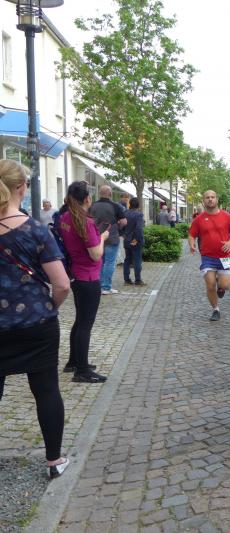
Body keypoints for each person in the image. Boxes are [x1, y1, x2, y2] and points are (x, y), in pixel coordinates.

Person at [0, 160, 71, 478]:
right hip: (36, 324)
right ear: (21, 188)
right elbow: (62, 284)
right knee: (46, 390)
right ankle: (54, 462)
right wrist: (49, 307)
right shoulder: (36, 230)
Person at [60, 181, 110, 383]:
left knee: (80, 320)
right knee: (85, 325)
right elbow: (95, 254)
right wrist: (103, 237)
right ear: (88, 199)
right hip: (88, 277)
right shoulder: (86, 222)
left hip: (76, 274)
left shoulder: (66, 217)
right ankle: (82, 370)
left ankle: (74, 361)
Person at [188, 190, 230, 321]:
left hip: (225, 257)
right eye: (207, 197)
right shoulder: (199, 219)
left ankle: (220, 286)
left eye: (212, 197)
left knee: (225, 285)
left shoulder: (226, 216)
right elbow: (192, 234)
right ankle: (216, 309)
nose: (210, 199)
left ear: (217, 199)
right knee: (210, 285)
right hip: (208, 257)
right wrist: (191, 244)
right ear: (203, 200)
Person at [89, 185, 127, 295]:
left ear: (99, 193)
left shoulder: (92, 205)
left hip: (96, 237)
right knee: (109, 262)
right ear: (110, 194)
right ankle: (106, 287)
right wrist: (119, 226)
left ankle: (99, 286)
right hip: (111, 236)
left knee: (99, 262)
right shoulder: (116, 206)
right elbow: (124, 221)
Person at [122, 197, 145, 286]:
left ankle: (127, 280)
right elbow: (139, 228)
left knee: (127, 260)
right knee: (137, 260)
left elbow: (121, 225)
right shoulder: (139, 215)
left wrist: (124, 234)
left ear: (130, 204)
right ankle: (138, 280)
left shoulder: (125, 213)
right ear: (138, 205)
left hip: (126, 240)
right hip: (135, 241)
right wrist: (137, 239)